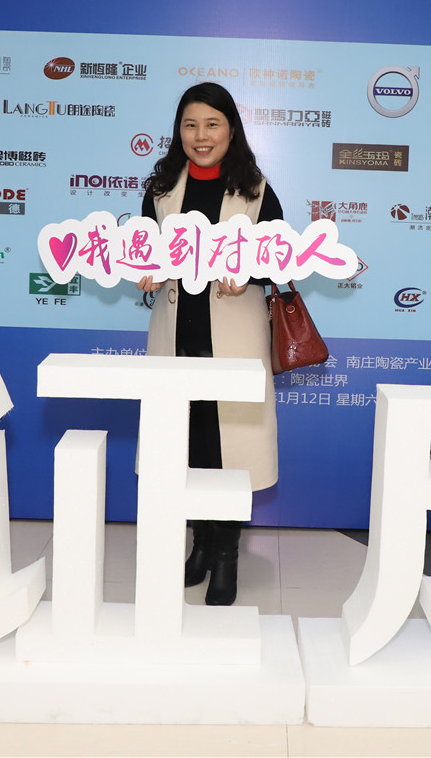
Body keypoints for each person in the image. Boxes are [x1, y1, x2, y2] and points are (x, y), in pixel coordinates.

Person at [138, 83, 282, 606]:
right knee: (189, 447)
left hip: (232, 339)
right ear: (179, 131)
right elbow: (145, 250)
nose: (201, 136)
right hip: (177, 335)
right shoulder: (161, 189)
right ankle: (200, 546)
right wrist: (147, 270)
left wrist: (250, 273)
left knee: (230, 452)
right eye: (191, 125)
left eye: (212, 124)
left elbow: (278, 259)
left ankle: (226, 556)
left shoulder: (255, 191)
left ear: (231, 130)